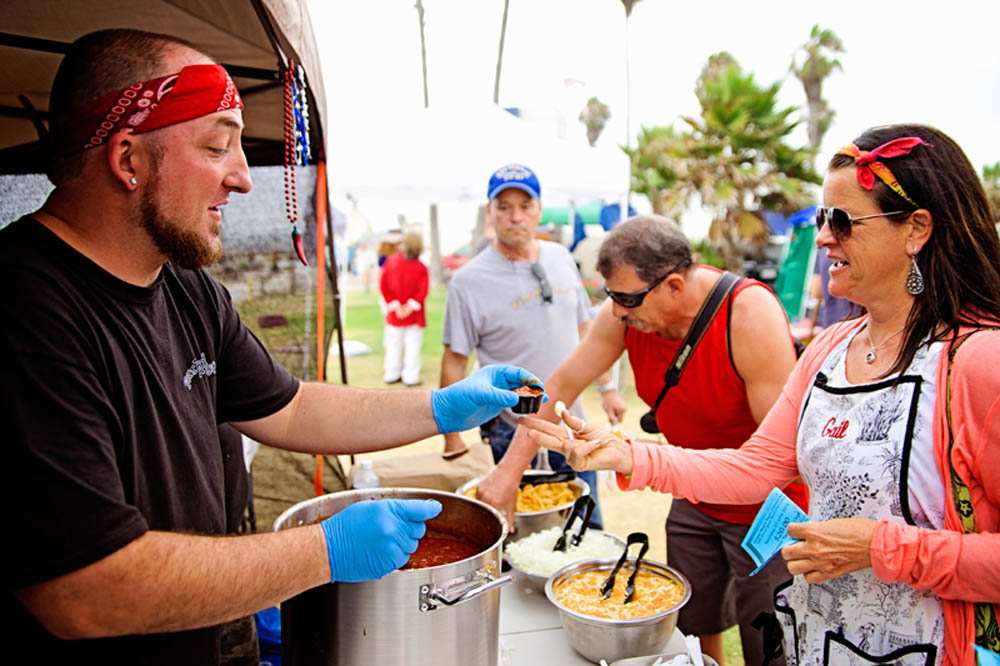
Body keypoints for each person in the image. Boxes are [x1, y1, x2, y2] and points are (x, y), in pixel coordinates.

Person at [0, 29, 542, 664]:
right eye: (216, 147)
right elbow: (84, 591)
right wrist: (323, 552)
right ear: (127, 159)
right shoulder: (25, 307)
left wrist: (443, 407)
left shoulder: (185, 290)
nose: (241, 179)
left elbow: (289, 409)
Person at [522, 124, 1000, 666]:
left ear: (916, 228)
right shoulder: (832, 347)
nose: (823, 238)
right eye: (823, 218)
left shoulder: (978, 362)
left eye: (841, 220)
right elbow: (756, 468)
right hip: (823, 644)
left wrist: (879, 548)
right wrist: (629, 454)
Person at [479, 214, 807, 666]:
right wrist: (507, 474)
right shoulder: (627, 315)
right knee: (692, 629)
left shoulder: (748, 314)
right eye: (610, 296)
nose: (616, 312)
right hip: (693, 492)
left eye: (627, 298)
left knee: (769, 640)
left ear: (674, 285)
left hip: (767, 508)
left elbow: (778, 455)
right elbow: (560, 384)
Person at [439, 163, 625, 527]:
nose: (515, 217)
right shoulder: (468, 281)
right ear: (490, 212)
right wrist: (451, 436)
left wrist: (608, 388)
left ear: (538, 209)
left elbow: (588, 332)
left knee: (585, 520)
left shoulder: (559, 257)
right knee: (516, 526)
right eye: (504, 206)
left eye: (525, 206)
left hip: (571, 419)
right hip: (508, 425)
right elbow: (454, 360)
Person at [380, 232, 429, 386]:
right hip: (414, 314)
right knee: (413, 346)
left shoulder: (390, 262)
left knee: (394, 343)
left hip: (395, 313)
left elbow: (384, 285)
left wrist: (395, 305)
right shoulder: (421, 267)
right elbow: (423, 290)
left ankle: (391, 373)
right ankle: (410, 376)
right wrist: (410, 306)